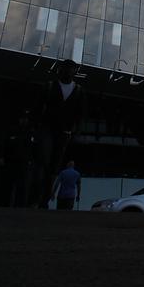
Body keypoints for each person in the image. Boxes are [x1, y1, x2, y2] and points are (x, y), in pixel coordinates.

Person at [34, 59, 85, 208]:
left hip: (64, 132)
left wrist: (76, 132)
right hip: (47, 129)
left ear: (74, 72)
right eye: (66, 69)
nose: (68, 72)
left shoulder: (79, 91)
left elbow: (81, 113)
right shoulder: (49, 86)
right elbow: (38, 108)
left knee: (54, 166)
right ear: (60, 70)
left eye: (71, 69)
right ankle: (38, 199)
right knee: (44, 161)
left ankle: (44, 199)